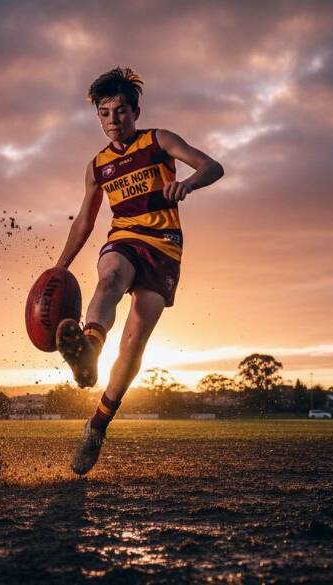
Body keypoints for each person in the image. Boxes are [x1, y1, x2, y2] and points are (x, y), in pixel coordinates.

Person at [54, 67, 224, 475]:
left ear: (136, 112)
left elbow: (211, 166)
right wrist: (59, 267)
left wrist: (189, 185)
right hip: (125, 239)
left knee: (134, 343)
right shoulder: (97, 167)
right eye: (106, 113)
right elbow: (84, 222)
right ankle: (89, 348)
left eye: (121, 112)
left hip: (164, 248)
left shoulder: (158, 140)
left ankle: (97, 426)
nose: (114, 120)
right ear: (98, 116)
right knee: (109, 276)